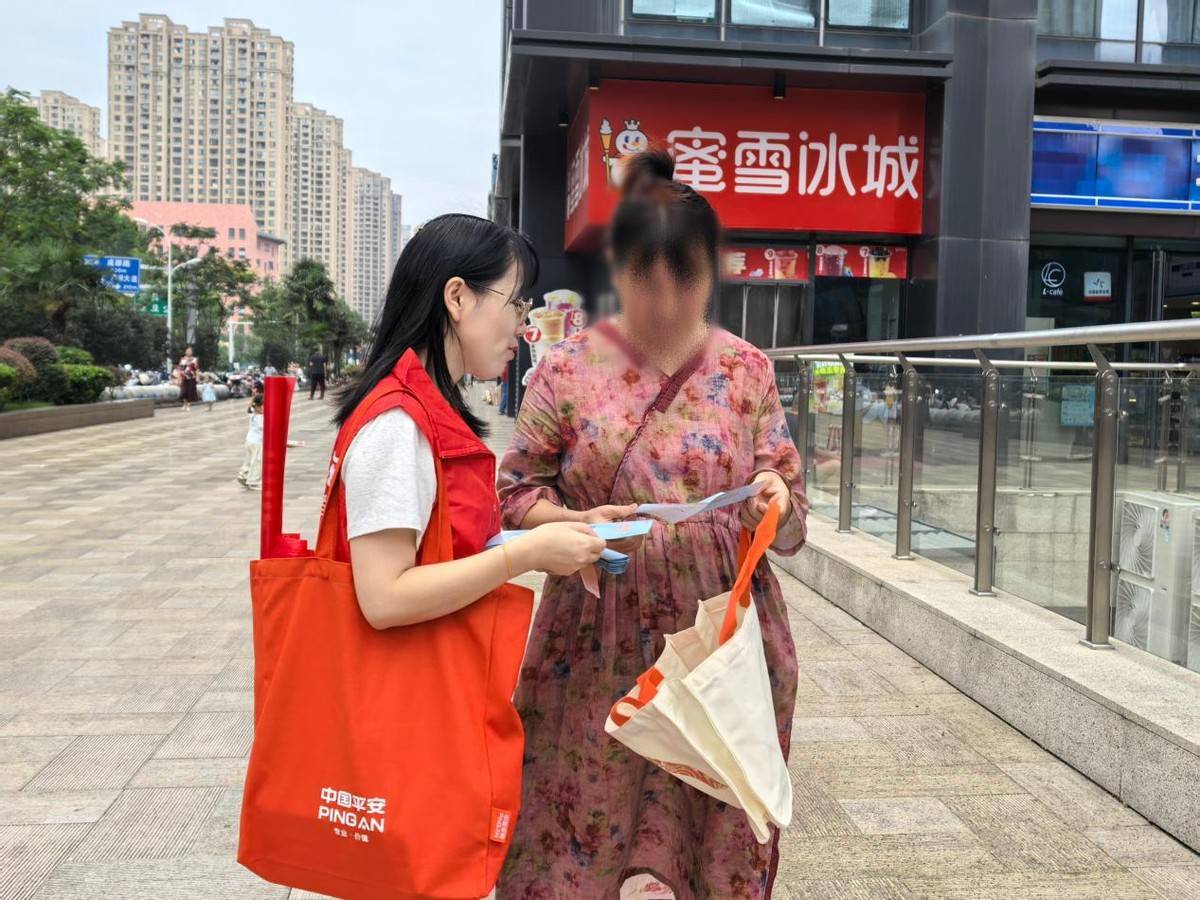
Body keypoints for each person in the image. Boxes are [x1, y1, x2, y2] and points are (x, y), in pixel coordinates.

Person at [496, 149, 808, 899]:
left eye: (683, 278)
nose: (665, 299)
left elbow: (791, 515)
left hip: (716, 637)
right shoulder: (566, 369)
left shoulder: (746, 371)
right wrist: (572, 522)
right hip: (595, 631)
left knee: (715, 828)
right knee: (579, 828)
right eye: (648, 278)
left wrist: (773, 499)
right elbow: (515, 495)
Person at [237, 394, 264, 491]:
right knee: (257, 462)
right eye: (264, 406)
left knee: (249, 460)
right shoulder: (260, 417)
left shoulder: (252, 412)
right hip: (257, 442)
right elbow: (264, 428)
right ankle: (253, 482)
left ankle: (243, 475)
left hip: (249, 440)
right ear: (258, 406)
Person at [178, 346, 199, 411]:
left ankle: (189, 405)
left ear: (192, 352)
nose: (188, 352)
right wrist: (179, 378)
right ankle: (184, 404)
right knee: (183, 391)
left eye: (190, 351)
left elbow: (197, 369)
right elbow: (180, 369)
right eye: (187, 351)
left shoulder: (194, 359)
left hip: (191, 377)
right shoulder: (182, 359)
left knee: (190, 391)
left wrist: (197, 377)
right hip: (184, 377)